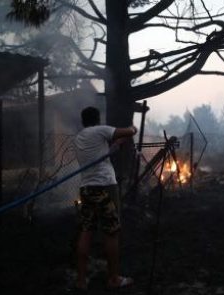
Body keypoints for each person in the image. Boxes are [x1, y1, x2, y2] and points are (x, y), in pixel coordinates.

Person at [73, 106, 137, 292]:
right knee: (112, 232)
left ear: (83, 121)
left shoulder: (79, 138)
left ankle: (81, 280)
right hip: (105, 187)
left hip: (86, 188)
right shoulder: (100, 130)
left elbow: (101, 153)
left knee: (86, 230)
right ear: (97, 119)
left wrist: (116, 145)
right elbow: (127, 131)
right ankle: (114, 279)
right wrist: (133, 128)